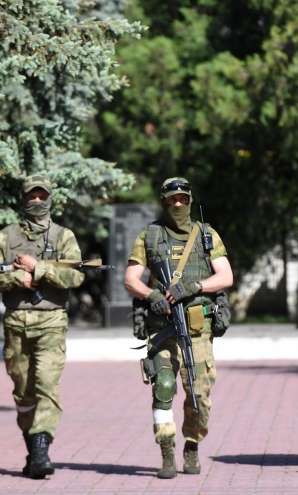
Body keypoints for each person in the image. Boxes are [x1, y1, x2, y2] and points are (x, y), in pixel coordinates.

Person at [124, 177, 233, 479]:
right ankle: (167, 450)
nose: (178, 204)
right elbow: (131, 279)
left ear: (189, 200)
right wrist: (153, 296)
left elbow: (225, 276)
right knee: (163, 387)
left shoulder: (206, 234)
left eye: (183, 199)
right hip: (162, 329)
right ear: (164, 202)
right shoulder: (150, 236)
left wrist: (194, 286)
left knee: (199, 397)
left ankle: (192, 444)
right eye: (172, 200)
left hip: (197, 332)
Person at [0, 175, 85, 479]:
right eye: (31, 196)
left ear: (50, 199)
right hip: (16, 324)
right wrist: (15, 278)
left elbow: (76, 276)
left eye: (42, 196)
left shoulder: (63, 237)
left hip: (51, 322)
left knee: (47, 385)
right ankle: (32, 449)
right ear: (23, 199)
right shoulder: (6, 237)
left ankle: (40, 452)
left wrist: (39, 269)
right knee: (23, 394)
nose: (37, 201)